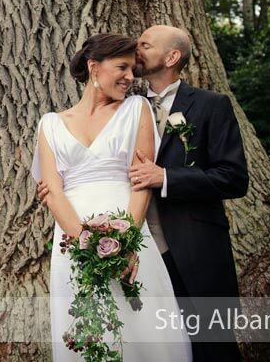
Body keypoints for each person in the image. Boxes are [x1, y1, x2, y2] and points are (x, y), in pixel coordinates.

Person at [38, 25, 249, 362]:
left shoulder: (210, 105)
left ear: (172, 56)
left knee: (210, 344)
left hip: (190, 244)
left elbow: (234, 178)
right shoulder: (128, 104)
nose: (136, 53)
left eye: (145, 46)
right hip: (132, 242)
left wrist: (166, 177)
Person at [32, 33, 192, 361]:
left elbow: (141, 182)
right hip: (73, 244)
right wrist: (89, 246)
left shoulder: (137, 110)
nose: (130, 77)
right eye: (122, 67)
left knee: (143, 325)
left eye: (133, 69)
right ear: (94, 67)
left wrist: (125, 245)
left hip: (131, 236)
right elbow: (53, 192)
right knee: (90, 331)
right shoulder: (49, 125)